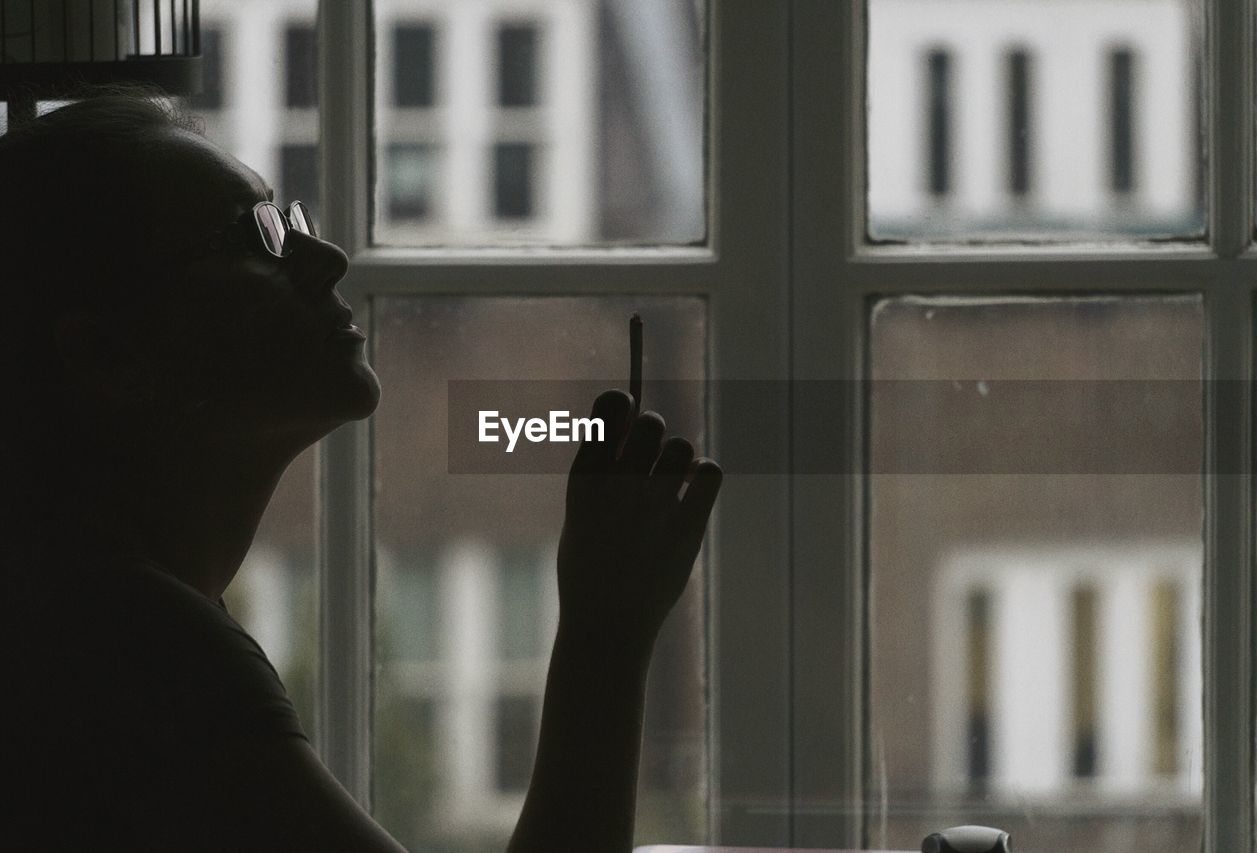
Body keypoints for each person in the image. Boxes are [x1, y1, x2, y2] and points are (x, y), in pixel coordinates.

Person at [0, 92, 721, 851]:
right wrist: (606, 632)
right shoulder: (135, 651)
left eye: (289, 222)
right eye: (256, 239)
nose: (327, 258)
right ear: (108, 355)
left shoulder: (80, 607)